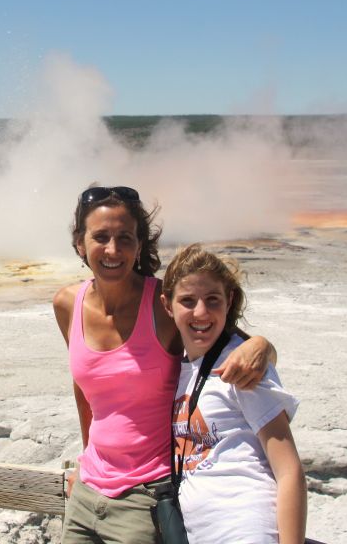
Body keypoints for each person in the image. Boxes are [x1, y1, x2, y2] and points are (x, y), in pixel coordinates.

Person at [54, 186, 277, 544]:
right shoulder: (67, 303)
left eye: (125, 237)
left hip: (148, 496)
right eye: (101, 237)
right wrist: (85, 459)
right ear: (80, 243)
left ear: (140, 244)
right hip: (86, 492)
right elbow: (85, 387)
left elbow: (233, 341)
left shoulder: (163, 304)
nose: (113, 250)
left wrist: (265, 346)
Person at [161, 244, 306, 544]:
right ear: (167, 305)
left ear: (228, 302)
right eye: (187, 300)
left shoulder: (242, 369)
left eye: (212, 300)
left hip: (245, 528)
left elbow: (289, 470)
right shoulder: (179, 369)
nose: (201, 312)